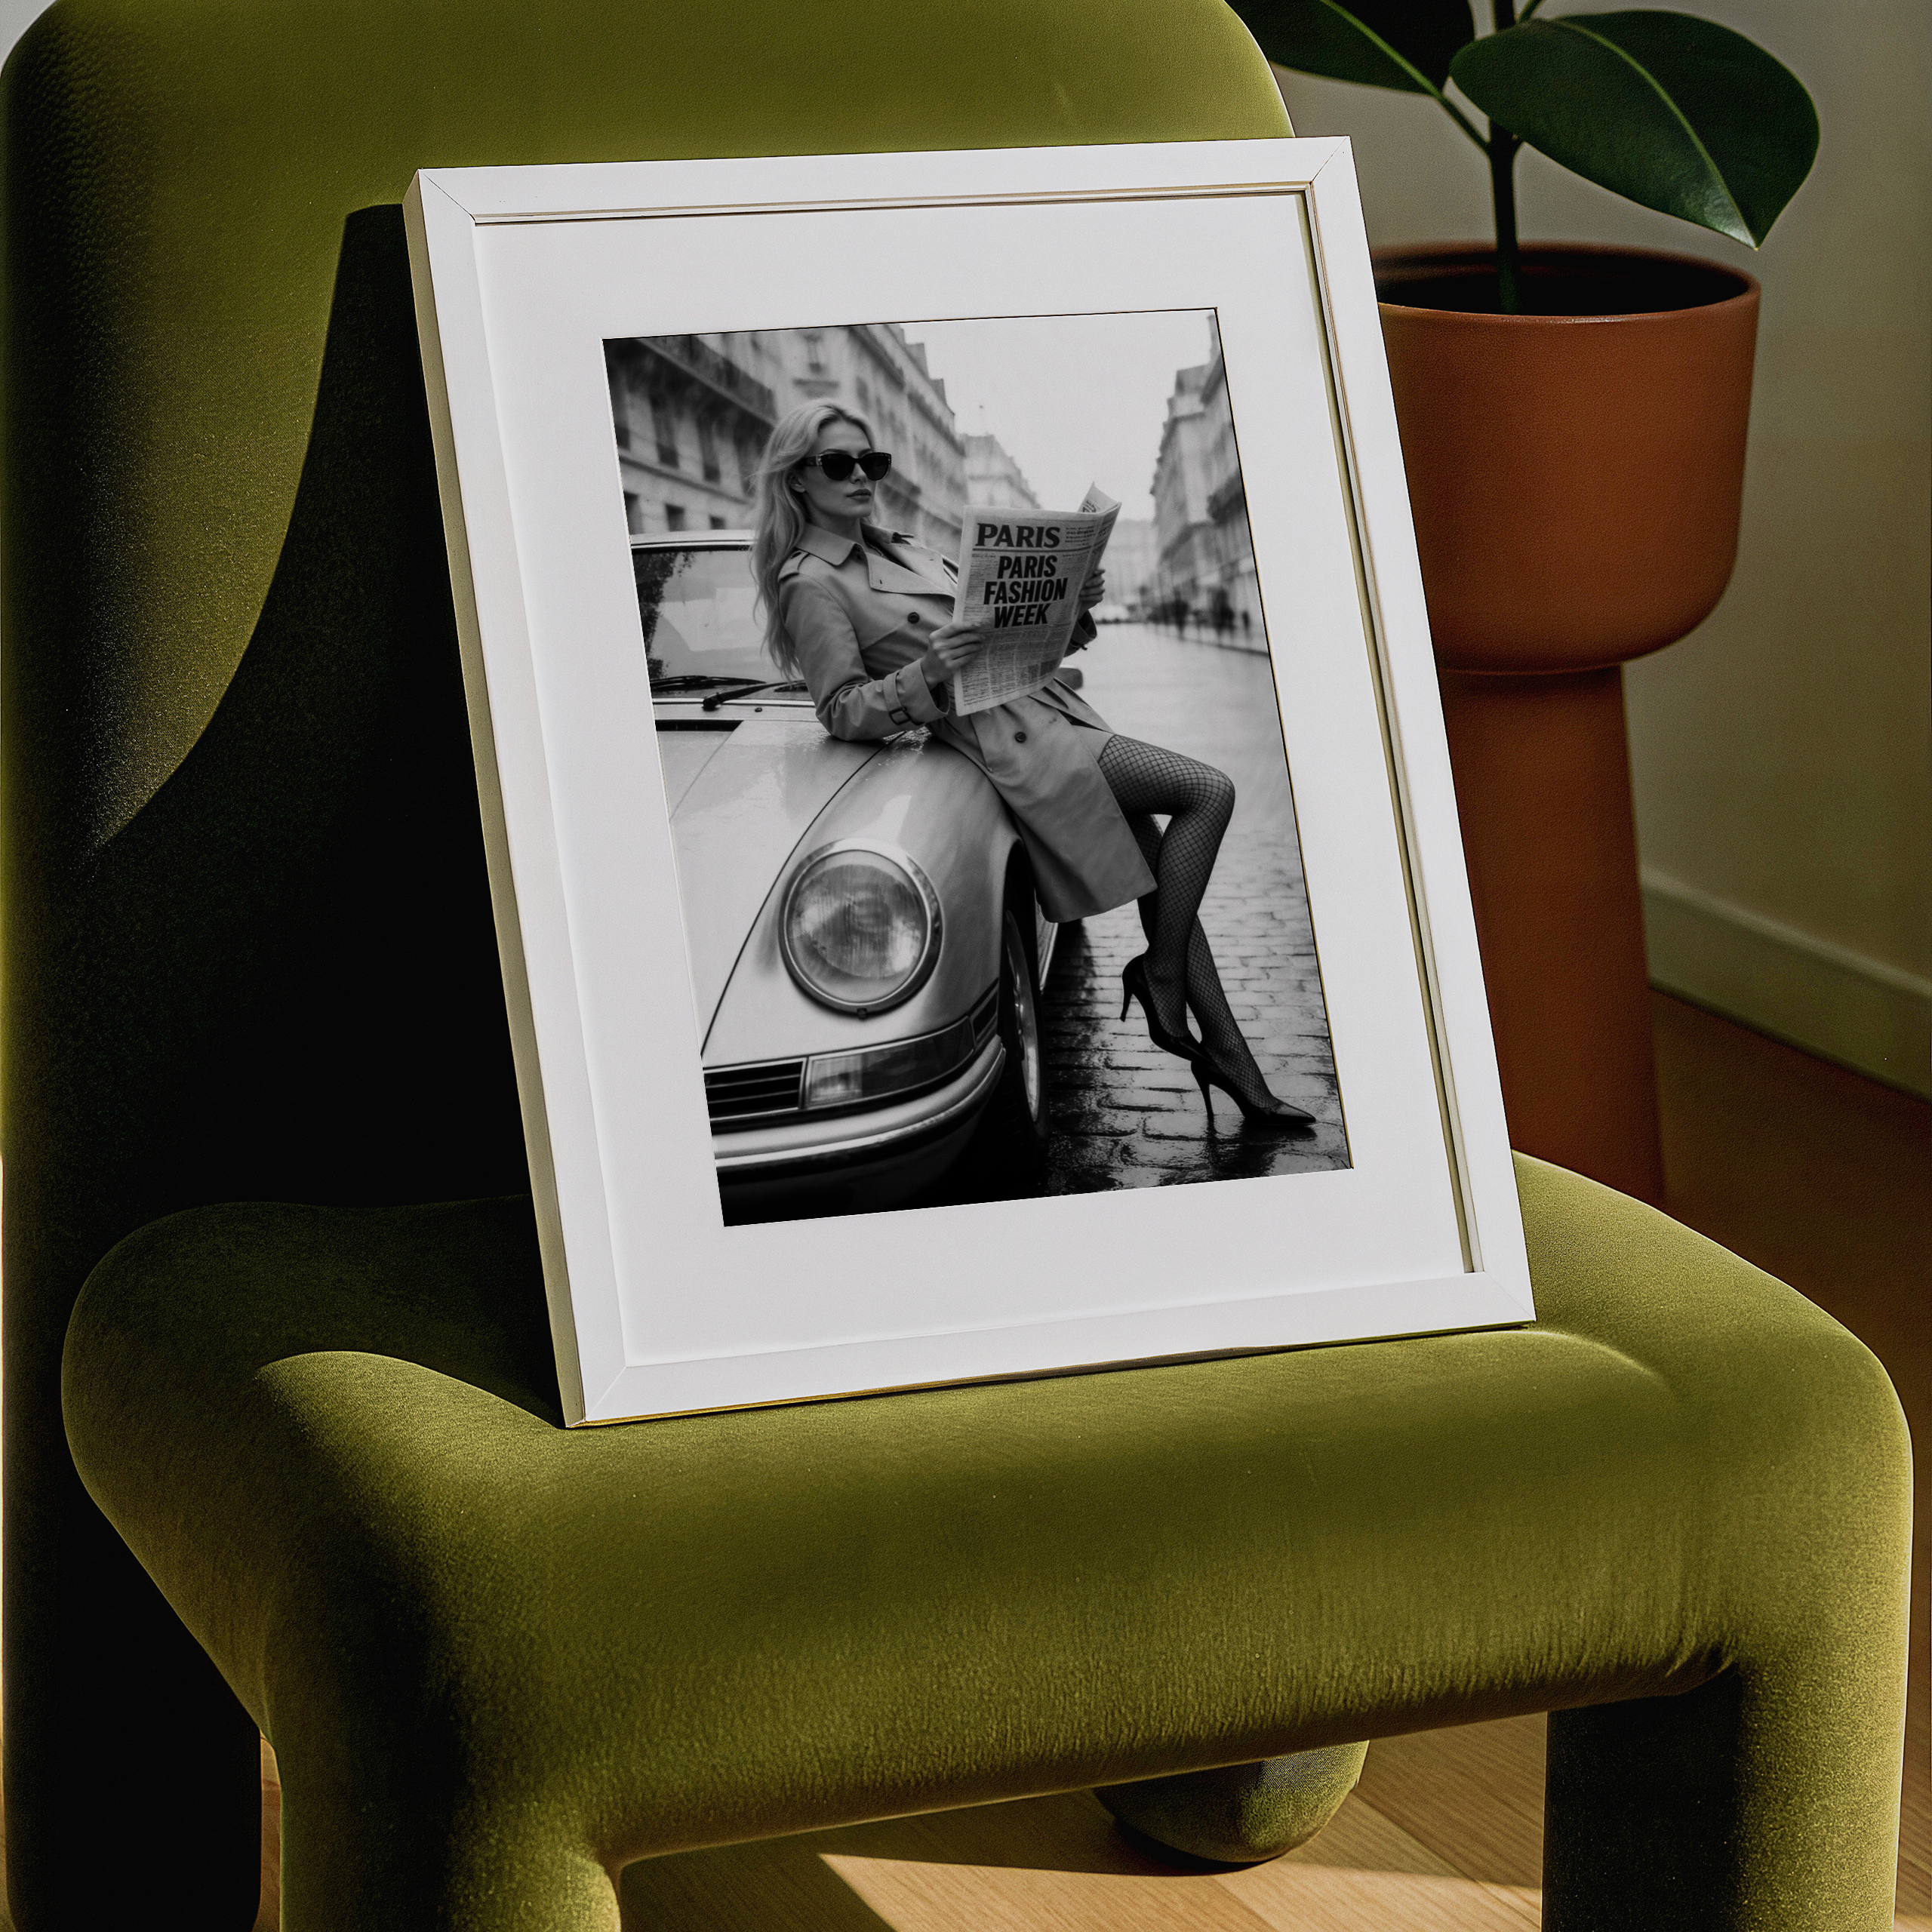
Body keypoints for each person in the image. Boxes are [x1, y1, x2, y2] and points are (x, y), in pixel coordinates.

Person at [749, 400, 1312, 1129]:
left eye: (872, 461)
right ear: (797, 481)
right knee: (1209, 790)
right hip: (1013, 742)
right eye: (839, 464)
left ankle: (1233, 1062)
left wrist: (1070, 608)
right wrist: (928, 672)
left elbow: (1013, 646)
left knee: (1162, 885)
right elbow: (842, 709)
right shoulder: (810, 581)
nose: (862, 476)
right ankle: (1160, 977)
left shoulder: (905, 546)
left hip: (1051, 712)